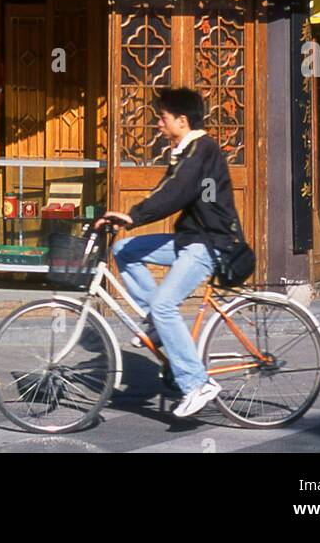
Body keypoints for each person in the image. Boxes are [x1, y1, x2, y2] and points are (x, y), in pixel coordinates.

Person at [96, 87, 242, 419]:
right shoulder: (185, 150)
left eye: (162, 118)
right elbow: (167, 190)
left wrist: (134, 215)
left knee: (164, 304)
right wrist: (125, 218)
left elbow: (176, 193)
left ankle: (196, 385)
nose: (158, 124)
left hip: (209, 243)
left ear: (181, 119)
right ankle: (158, 326)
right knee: (124, 250)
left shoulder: (201, 150)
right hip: (189, 239)